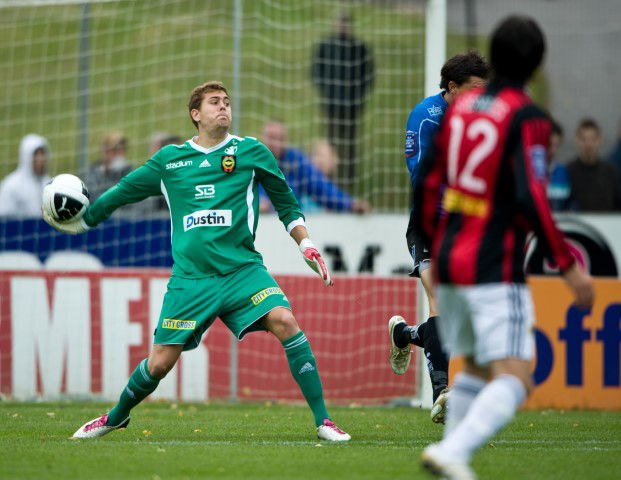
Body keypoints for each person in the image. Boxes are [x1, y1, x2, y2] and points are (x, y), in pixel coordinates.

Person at [43, 81, 351, 442]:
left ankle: (323, 421)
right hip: (191, 280)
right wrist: (85, 221)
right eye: (214, 102)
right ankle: (116, 416)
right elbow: (122, 191)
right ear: (195, 114)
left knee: (285, 320)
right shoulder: (170, 161)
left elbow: (286, 203)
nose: (223, 107)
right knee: (159, 363)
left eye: (227, 102)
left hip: (242, 271)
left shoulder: (252, 152)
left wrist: (307, 245)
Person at [413, 16, 594, 479]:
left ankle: (450, 453)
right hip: (495, 262)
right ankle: (454, 452)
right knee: (516, 378)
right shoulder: (527, 116)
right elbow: (534, 195)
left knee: (472, 370)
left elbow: (427, 181)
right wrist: (569, 264)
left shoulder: (459, 111)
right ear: (535, 65)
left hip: (450, 258)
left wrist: (434, 243)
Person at [388, 51, 489, 424]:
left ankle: (405, 334)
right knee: (439, 300)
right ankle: (442, 393)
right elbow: (422, 179)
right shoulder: (426, 117)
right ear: (452, 88)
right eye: (474, 90)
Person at [311, 11, 375, 191]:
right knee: (331, 140)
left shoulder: (359, 47)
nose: (341, 27)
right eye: (339, 23)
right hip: (331, 104)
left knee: (350, 142)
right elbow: (316, 71)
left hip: (352, 106)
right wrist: (327, 91)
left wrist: (357, 95)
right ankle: (329, 177)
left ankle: (348, 179)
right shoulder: (326, 45)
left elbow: (367, 75)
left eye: (345, 24)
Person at [260, 121, 370, 213]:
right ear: (262, 138)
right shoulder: (250, 161)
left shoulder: (296, 161)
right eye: (271, 137)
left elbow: (321, 188)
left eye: (279, 138)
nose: (274, 143)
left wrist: (350, 204)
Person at [566, 118, 621, 211]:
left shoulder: (611, 172)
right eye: (583, 139)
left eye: (593, 139)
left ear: (600, 141)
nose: (588, 144)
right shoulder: (568, 172)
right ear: (576, 141)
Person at [0, 134, 51, 217]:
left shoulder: (49, 183)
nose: (40, 159)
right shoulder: (11, 185)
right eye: (36, 155)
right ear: (26, 156)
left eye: (43, 154)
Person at [86, 131, 133, 201]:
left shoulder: (131, 173)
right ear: (105, 152)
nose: (119, 154)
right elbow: (95, 200)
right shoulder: (93, 175)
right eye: (115, 151)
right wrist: (111, 174)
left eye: (122, 150)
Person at [546, 121, 573, 211]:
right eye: (549, 145)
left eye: (556, 145)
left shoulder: (564, 171)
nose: (553, 150)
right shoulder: (530, 172)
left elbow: (569, 202)